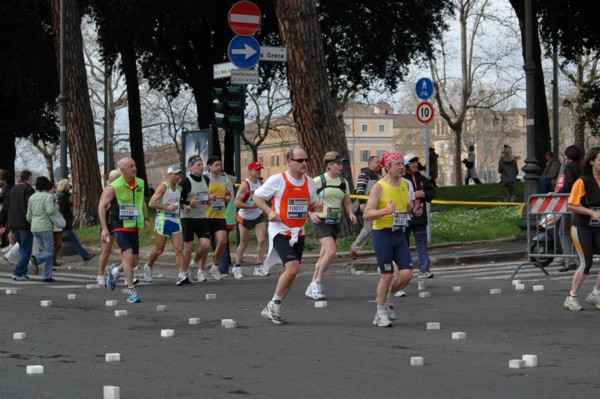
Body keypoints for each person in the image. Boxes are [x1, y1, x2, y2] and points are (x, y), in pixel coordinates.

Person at [253, 147, 322, 324]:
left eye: (306, 160)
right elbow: (257, 197)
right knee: (293, 268)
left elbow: (311, 203)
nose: (304, 163)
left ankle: (274, 306)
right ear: (290, 162)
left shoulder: (309, 183)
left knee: (291, 272)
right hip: (280, 230)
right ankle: (274, 304)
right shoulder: (278, 180)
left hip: (298, 231)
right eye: (300, 160)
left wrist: (315, 209)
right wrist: (269, 211)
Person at [363, 151, 416, 327]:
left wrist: (412, 209)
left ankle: (389, 297)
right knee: (386, 275)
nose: (402, 167)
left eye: (403, 164)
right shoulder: (379, 187)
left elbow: (406, 208)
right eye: (398, 164)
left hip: (399, 233)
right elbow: (367, 213)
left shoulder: (405, 185)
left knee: (407, 274)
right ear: (387, 167)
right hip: (383, 234)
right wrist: (384, 211)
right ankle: (379, 313)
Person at [98, 157, 150, 303]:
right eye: (131, 166)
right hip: (119, 224)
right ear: (122, 170)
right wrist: (104, 228)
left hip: (134, 224)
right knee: (127, 255)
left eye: (135, 165)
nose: (135, 168)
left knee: (133, 261)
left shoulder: (140, 182)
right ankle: (131, 291)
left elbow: (142, 202)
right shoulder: (114, 186)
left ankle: (114, 271)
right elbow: (101, 206)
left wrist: (146, 219)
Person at [306, 151, 357, 299]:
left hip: (335, 221)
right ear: (329, 165)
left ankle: (311, 287)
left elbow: (346, 201)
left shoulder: (343, 182)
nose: (341, 166)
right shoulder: (318, 180)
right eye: (338, 163)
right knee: (331, 252)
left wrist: (351, 213)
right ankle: (317, 282)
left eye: (342, 164)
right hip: (321, 221)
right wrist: (312, 214)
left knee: (323, 256)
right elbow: (306, 199)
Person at [563, 147, 600, 311]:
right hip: (581, 226)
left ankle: (595, 294)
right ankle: (571, 297)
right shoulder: (582, 181)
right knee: (587, 262)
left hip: (598, 227)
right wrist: (591, 212)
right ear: (592, 161)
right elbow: (571, 204)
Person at [145, 165, 186, 285]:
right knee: (159, 250)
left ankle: (180, 274)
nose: (178, 176)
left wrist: (186, 206)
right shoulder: (163, 186)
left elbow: (178, 203)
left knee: (179, 249)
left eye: (179, 174)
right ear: (169, 175)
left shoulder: (180, 188)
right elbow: (151, 203)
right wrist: (167, 207)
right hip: (163, 220)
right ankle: (148, 266)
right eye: (175, 174)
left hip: (175, 221)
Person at [180, 155, 214, 282]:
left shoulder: (206, 179)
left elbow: (203, 197)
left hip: (201, 217)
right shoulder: (185, 182)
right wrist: (189, 204)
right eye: (198, 165)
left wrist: (209, 199)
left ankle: (193, 264)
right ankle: (183, 272)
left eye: (202, 164)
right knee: (188, 246)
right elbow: (177, 201)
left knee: (206, 245)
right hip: (187, 218)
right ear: (191, 167)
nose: (201, 167)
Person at [403, 153, 436, 279]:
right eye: (412, 162)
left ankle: (424, 269)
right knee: (404, 246)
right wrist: (413, 195)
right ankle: (405, 271)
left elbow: (433, 193)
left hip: (420, 218)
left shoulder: (422, 178)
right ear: (406, 165)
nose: (415, 164)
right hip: (406, 218)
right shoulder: (402, 180)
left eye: (416, 162)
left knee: (422, 244)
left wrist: (424, 195)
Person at [233, 161, 267, 279]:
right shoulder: (245, 185)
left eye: (260, 169)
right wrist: (250, 206)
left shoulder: (261, 183)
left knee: (262, 240)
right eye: (256, 169)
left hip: (257, 215)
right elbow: (236, 202)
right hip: (245, 216)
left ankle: (258, 266)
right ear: (250, 171)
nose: (259, 171)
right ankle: (237, 266)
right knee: (244, 243)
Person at [0, 170, 36, 281]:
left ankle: (23, 271)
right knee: (26, 250)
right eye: (31, 178)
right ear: (29, 179)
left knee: (22, 248)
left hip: (12, 224)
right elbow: (31, 206)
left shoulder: (11, 190)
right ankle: (18, 272)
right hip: (24, 223)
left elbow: (4, 208)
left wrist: (1, 223)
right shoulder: (29, 190)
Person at [554, 144, 584, 272]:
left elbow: (568, 184)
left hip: (571, 202)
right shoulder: (582, 166)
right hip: (582, 203)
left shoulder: (569, 167)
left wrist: (556, 194)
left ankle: (570, 260)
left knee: (564, 231)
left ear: (568, 156)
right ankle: (580, 259)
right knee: (578, 232)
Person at [203, 156, 231, 280]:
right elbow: (199, 197)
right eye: (216, 165)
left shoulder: (224, 179)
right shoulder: (205, 179)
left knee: (222, 241)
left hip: (220, 215)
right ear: (209, 166)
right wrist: (208, 197)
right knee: (205, 245)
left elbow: (226, 193)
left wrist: (226, 198)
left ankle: (215, 266)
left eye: (220, 165)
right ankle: (199, 268)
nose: (219, 167)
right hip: (206, 216)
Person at [26, 176, 58, 282]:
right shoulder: (48, 197)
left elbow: (28, 216)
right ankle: (36, 257)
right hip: (45, 226)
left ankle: (47, 275)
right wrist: (54, 206)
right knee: (49, 251)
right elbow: (50, 211)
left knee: (46, 251)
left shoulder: (32, 197)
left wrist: (33, 223)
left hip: (34, 227)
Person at [56, 179, 95, 263]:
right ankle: (85, 256)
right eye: (68, 184)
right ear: (64, 186)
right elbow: (61, 210)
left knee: (64, 241)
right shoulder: (63, 197)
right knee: (74, 240)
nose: (69, 186)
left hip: (66, 222)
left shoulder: (65, 196)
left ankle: (85, 256)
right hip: (65, 223)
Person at [350, 155, 381, 260]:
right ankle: (354, 248)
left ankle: (380, 249)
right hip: (368, 205)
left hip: (378, 205)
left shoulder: (378, 175)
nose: (379, 164)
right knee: (368, 229)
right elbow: (360, 189)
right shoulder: (365, 174)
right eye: (377, 162)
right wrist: (362, 203)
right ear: (371, 163)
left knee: (377, 228)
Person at [97, 170, 120, 285]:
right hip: (108, 225)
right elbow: (101, 208)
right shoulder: (107, 191)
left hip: (120, 225)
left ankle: (126, 274)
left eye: (118, 179)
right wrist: (104, 228)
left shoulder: (122, 189)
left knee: (126, 251)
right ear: (110, 180)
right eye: (114, 179)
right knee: (106, 251)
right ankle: (101, 274)